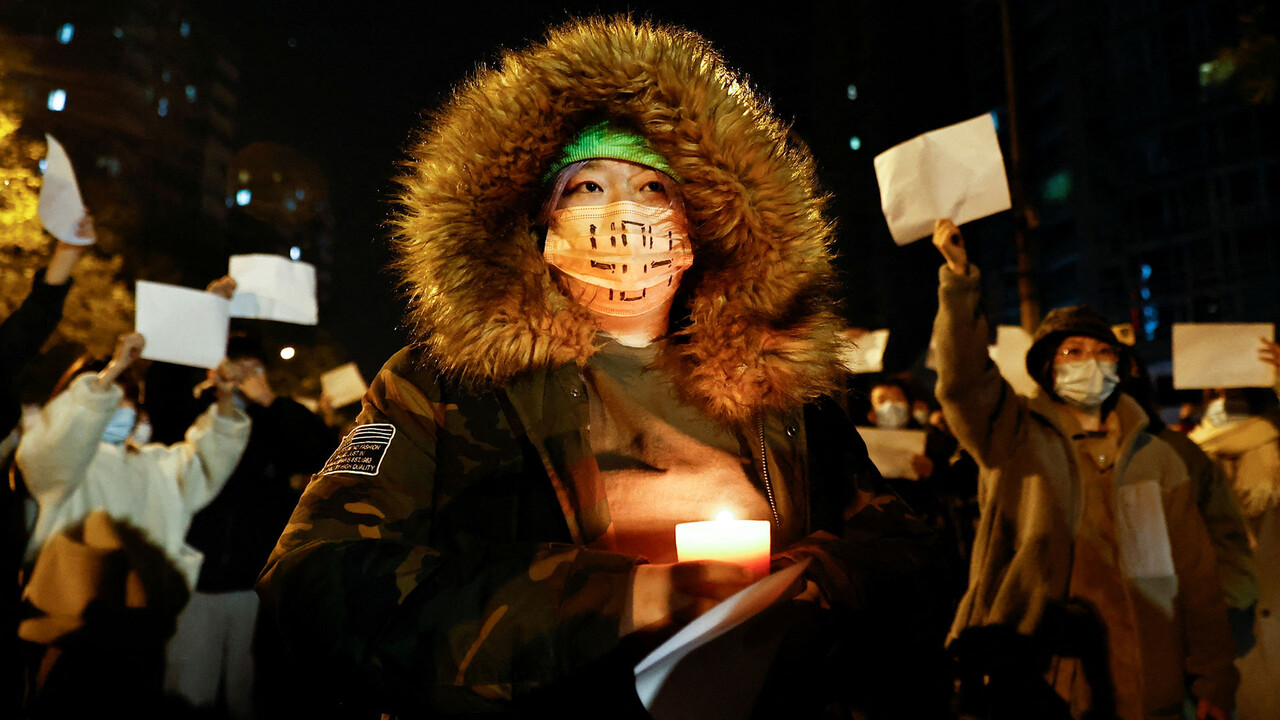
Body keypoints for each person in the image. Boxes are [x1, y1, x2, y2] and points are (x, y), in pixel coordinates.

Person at [257, 18, 949, 719]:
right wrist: (626, 601)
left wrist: (813, 584)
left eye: (654, 189)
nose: (622, 210)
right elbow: (315, 580)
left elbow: (905, 555)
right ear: (536, 224)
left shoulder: (786, 393)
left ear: (701, 224)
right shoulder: (446, 387)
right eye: (586, 186)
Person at [931, 218, 1237, 720]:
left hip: (1146, 677)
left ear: (1119, 367)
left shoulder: (1158, 457)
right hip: (1036, 675)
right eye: (1072, 351)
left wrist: (1214, 677)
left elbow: (1196, 576)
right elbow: (963, 381)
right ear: (1048, 368)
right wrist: (960, 280)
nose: (1089, 361)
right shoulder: (1012, 435)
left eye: (1102, 352)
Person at [15, 283, 251, 715]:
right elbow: (57, 446)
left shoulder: (154, 465)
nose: (124, 407)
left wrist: (224, 395)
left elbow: (211, 455)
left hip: (144, 632)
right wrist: (109, 374)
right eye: (111, 398)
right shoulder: (68, 464)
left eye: (130, 399)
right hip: (67, 633)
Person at [164, 332, 337, 719]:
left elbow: (324, 453)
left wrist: (272, 403)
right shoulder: (193, 411)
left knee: (249, 689)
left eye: (251, 367)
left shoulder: (275, 417)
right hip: (195, 573)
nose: (241, 375)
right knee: (189, 688)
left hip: (255, 578)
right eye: (233, 364)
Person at [1187, 339, 1280, 720]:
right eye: (1221, 382)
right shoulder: (1189, 452)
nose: (1229, 390)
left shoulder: (1275, 441)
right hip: (1226, 617)